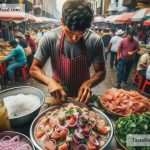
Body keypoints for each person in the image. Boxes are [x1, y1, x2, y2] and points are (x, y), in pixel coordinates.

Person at [30, 0, 106, 104]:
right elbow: (34, 69)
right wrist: (49, 81)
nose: (75, 38)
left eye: (81, 33)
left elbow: (101, 71)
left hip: (82, 96)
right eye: (70, 32)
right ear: (62, 21)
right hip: (58, 95)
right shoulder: (49, 38)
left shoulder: (95, 40)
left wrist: (89, 83)